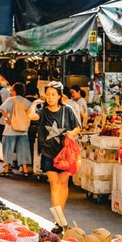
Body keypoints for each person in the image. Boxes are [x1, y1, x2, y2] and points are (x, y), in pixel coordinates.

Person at [27, 81, 80, 214]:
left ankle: (60, 213)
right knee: (53, 183)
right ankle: (58, 218)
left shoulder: (67, 110)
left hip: (64, 152)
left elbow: (78, 127)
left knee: (63, 183)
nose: (50, 97)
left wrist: (72, 133)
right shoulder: (43, 112)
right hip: (48, 152)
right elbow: (31, 116)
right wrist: (34, 103)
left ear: (59, 96)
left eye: (53, 94)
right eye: (48, 94)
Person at [0, 82, 31, 177]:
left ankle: (6, 170)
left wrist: (7, 119)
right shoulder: (27, 102)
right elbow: (33, 112)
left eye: (12, 89)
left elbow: (2, 110)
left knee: (8, 149)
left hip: (10, 129)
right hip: (23, 130)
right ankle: (25, 170)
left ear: (15, 91)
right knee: (23, 150)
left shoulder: (10, 100)